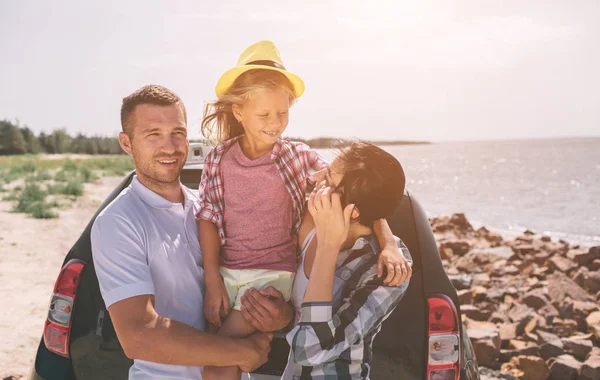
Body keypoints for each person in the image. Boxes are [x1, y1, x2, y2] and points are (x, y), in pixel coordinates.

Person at [197, 41, 412, 380]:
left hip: (273, 287)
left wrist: (388, 244)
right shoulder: (223, 162)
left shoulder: (297, 161)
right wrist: (212, 279)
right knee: (221, 357)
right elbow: (207, 216)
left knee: (218, 362)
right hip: (233, 280)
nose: (316, 179)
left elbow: (366, 201)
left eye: (282, 113)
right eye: (264, 115)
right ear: (239, 111)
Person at [91, 85, 276, 380]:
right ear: (126, 143)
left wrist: (281, 315)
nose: (170, 146)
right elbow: (139, 334)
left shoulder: (208, 209)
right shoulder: (118, 221)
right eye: (153, 134)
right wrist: (241, 353)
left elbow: (258, 275)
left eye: (178, 133)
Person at [243, 142, 412, 379]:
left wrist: (328, 246)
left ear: (353, 211)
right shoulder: (308, 219)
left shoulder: (386, 271)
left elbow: (310, 350)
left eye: (329, 179)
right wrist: (288, 318)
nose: (317, 179)